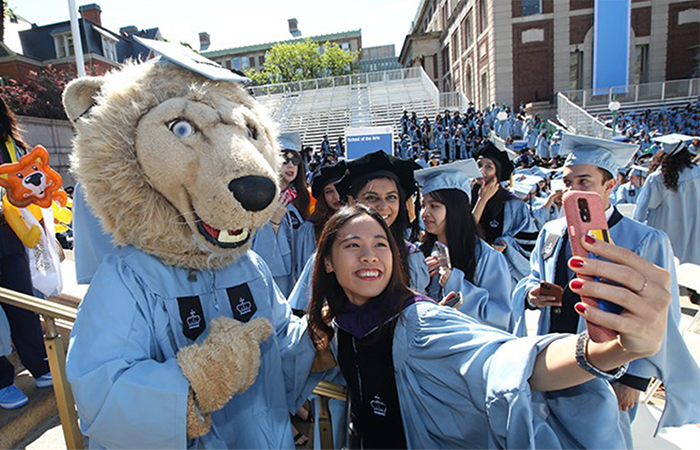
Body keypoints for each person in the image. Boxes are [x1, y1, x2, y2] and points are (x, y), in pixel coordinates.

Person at [306, 203, 675, 449]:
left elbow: (506, 361)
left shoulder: (417, 324)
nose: (370, 255)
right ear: (326, 263)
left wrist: (609, 350)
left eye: (380, 244)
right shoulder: (340, 324)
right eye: (353, 245)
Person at [512, 134, 700, 448]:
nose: (573, 191)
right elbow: (530, 278)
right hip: (554, 359)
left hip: (611, 371)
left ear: (609, 185)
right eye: (568, 182)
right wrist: (532, 295)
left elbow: (661, 317)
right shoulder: (551, 232)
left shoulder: (643, 240)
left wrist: (634, 379)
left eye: (584, 181)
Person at [416, 160, 512, 330]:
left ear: (456, 209)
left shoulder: (487, 258)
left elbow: (500, 317)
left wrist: (455, 283)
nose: (425, 213)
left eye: (434, 206)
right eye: (423, 205)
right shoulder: (420, 253)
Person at [0, 97, 52, 409]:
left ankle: (40, 364)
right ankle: (3, 381)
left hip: (9, 235)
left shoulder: (11, 143)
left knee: (24, 305)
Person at [252, 132, 311, 297]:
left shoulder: (298, 199)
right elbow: (259, 255)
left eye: (295, 161)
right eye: (285, 159)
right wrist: (274, 223)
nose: (291, 165)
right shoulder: (261, 200)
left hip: (299, 278)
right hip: (276, 283)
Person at [471, 141, 538, 286]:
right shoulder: (465, 198)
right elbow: (461, 234)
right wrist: (481, 201)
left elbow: (529, 242)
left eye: (489, 167)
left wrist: (506, 243)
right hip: (471, 271)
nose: (481, 171)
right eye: (478, 165)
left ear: (498, 172)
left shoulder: (514, 205)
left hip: (503, 274)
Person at [634, 134, 700, 265]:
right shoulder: (697, 172)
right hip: (694, 228)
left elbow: (645, 207)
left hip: (667, 231)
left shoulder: (658, 178)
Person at [291, 160, 346, 313]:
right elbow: (306, 272)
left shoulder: (361, 223)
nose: (336, 196)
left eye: (339, 188)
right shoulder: (310, 229)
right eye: (329, 191)